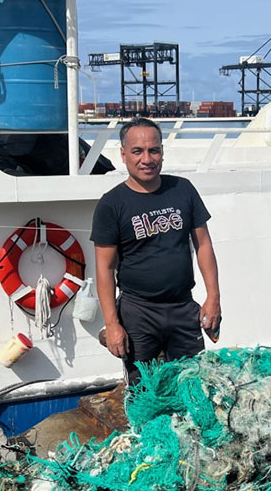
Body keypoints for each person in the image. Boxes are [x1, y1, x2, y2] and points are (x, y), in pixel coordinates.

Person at [92, 117, 221, 386]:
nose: (147, 159)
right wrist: (112, 324)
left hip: (183, 306)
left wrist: (213, 298)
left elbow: (204, 245)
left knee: (191, 383)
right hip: (138, 312)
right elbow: (104, 268)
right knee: (144, 390)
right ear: (123, 154)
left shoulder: (182, 189)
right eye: (138, 151)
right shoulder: (111, 204)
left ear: (162, 152)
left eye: (154, 150)